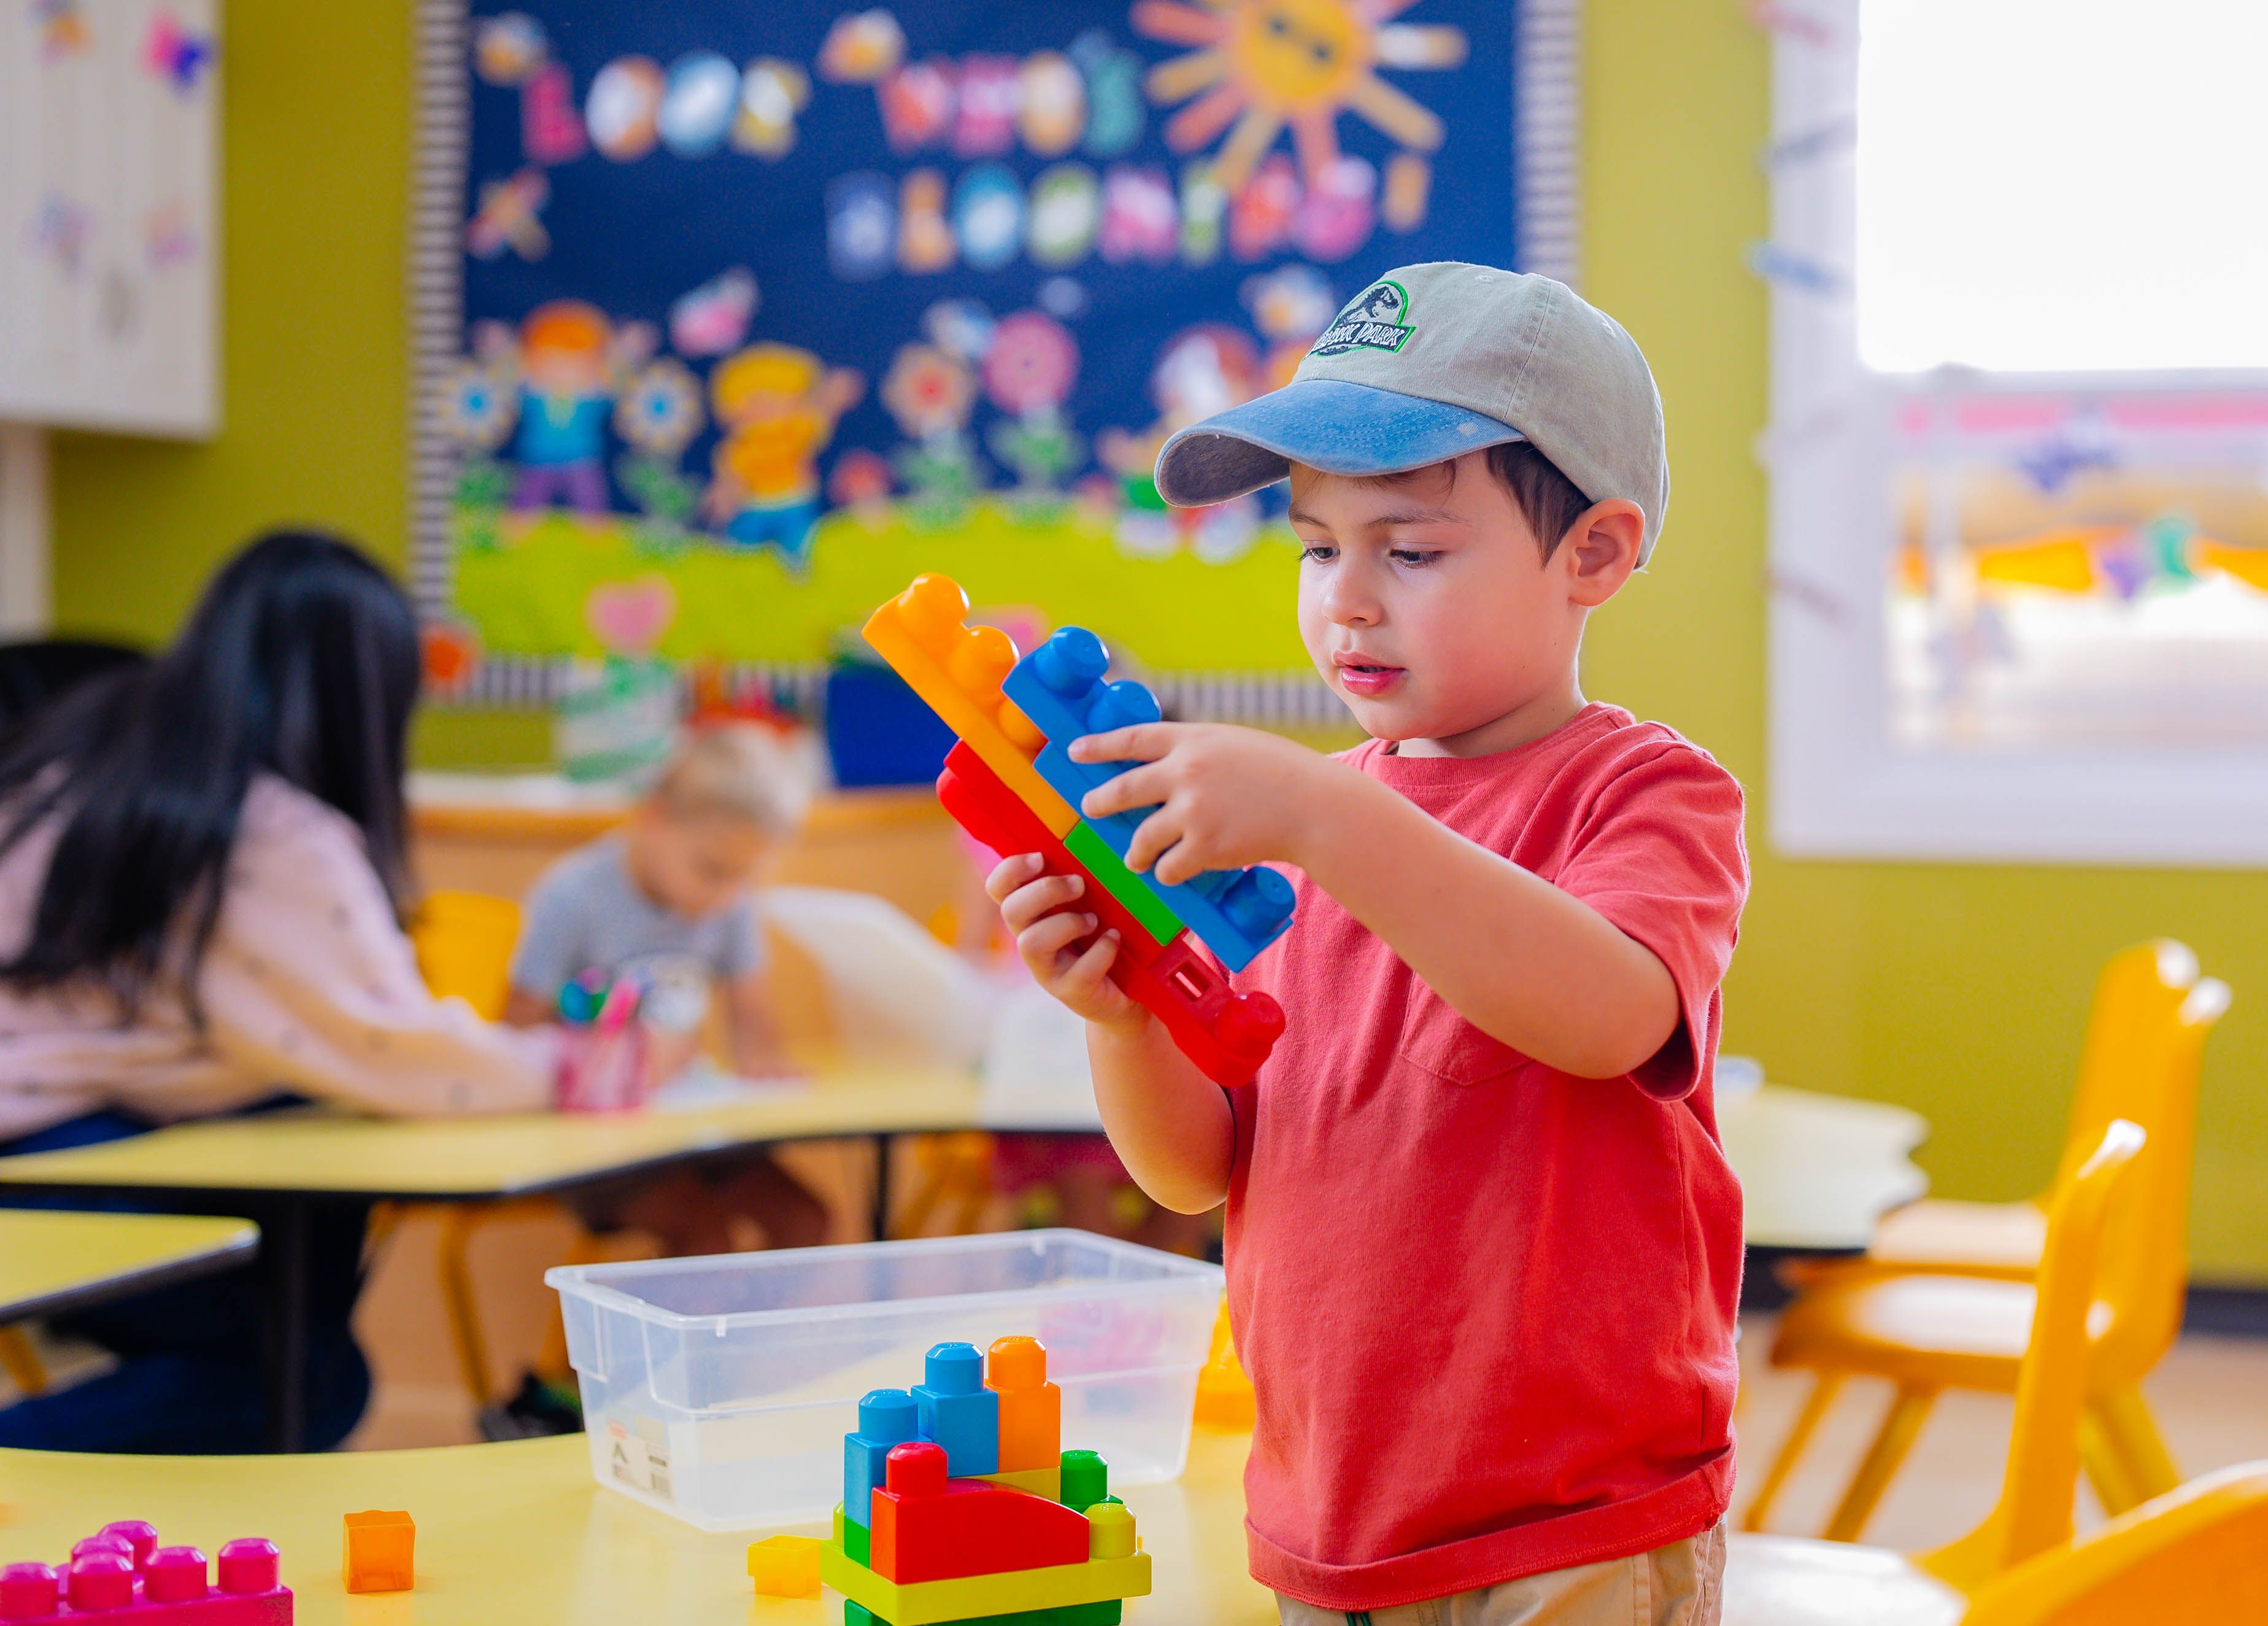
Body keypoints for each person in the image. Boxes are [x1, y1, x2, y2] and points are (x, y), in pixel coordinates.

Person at [984, 265, 1747, 1625]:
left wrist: (1327, 815)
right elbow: (1198, 1168)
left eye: (1409, 548)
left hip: (1571, 1523)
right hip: (1332, 1523)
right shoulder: (1301, 824)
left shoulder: (1642, 792)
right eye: (1316, 546)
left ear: (1595, 554)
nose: (1346, 599)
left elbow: (1612, 1012)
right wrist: (1122, 1016)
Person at [0, 530, 565, 1452]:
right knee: (301, 1378)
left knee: (297, 1340)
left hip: (52, 1140)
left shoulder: (94, 750)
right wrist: (583, 1064)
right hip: (43, 1163)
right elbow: (412, 1061)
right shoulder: (268, 834)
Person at [504, 722, 830, 1257]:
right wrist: (611, 1052)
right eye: (711, 870)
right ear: (654, 818)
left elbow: (754, 1024)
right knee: (706, 1238)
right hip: (598, 1146)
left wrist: (764, 1060)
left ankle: (747, 1340)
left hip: (687, 1130)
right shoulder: (571, 895)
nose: (725, 896)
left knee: (805, 1220)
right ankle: (707, 1340)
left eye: (743, 878)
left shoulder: (730, 902)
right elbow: (516, 1032)